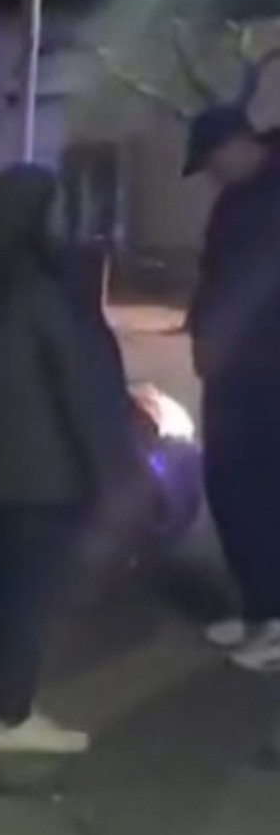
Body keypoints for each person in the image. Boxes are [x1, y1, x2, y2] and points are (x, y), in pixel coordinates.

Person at [0, 163, 137, 754]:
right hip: (40, 476)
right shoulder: (40, 293)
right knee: (27, 601)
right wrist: (114, 472)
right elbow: (80, 387)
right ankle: (11, 716)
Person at [184, 105, 280, 671]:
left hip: (266, 371)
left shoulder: (270, 198)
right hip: (235, 370)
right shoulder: (239, 198)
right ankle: (255, 609)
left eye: (212, 160)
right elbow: (216, 274)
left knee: (261, 492)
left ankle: (273, 620)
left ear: (237, 143)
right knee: (229, 485)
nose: (212, 174)